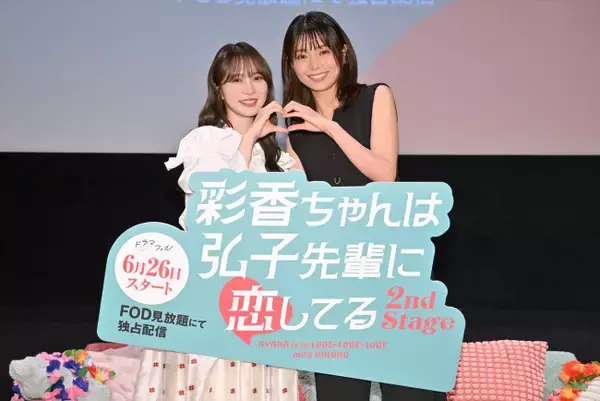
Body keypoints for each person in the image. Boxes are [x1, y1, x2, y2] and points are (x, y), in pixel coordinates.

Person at [280, 11, 445, 401]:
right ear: (291, 64)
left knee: (409, 384)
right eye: (302, 56)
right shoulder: (294, 125)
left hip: (389, 262)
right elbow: (299, 202)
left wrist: (330, 127)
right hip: (332, 272)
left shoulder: (375, 96)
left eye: (322, 51)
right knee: (339, 388)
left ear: (342, 51)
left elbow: (384, 174)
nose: (314, 65)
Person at [134, 42, 299, 401]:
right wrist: (251, 135)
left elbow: (302, 205)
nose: (249, 88)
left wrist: (290, 140)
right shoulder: (203, 140)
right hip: (211, 284)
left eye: (257, 78)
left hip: (263, 287)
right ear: (219, 88)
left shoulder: (274, 151)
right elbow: (218, 198)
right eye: (236, 80)